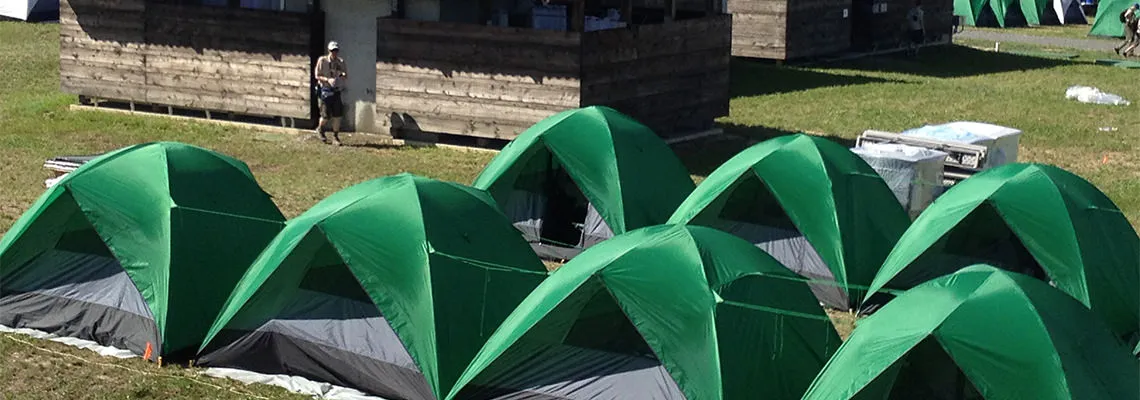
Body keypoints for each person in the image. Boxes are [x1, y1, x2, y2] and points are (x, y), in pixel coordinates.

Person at [314, 41, 347, 145]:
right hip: (325, 90)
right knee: (325, 115)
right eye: (333, 51)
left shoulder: (340, 62)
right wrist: (327, 79)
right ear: (329, 51)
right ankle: (320, 129)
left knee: (338, 115)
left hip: (336, 90)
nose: (334, 53)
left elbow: (346, 75)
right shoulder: (322, 61)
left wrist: (341, 74)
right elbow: (317, 75)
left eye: (336, 51)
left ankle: (335, 136)